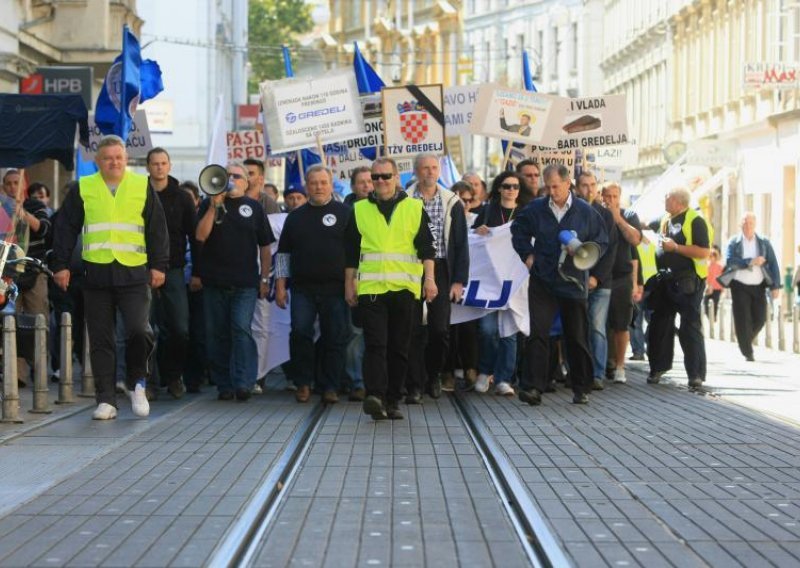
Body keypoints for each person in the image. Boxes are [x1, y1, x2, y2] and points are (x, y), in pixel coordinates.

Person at [51, 135, 169, 420]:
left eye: (118, 157)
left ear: (126, 160)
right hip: (96, 273)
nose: (114, 162)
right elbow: (65, 228)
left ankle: (137, 382)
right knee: (101, 339)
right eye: (108, 158)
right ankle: (106, 399)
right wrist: (61, 265)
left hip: (134, 272)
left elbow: (156, 228)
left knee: (139, 330)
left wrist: (159, 265)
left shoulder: (141, 185)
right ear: (97, 161)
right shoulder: (84, 187)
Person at [344, 157, 436, 420]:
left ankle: (393, 399)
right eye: (375, 177)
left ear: (396, 177)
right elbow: (350, 253)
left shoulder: (414, 207)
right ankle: (375, 395)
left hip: (405, 289)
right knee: (375, 344)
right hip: (371, 289)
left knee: (399, 347)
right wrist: (349, 284)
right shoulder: (360, 210)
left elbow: (427, 249)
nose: (380, 181)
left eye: (385, 176)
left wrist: (429, 279)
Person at [510, 164, 608, 405]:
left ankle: (581, 386)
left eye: (556, 186)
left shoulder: (585, 212)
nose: (552, 191)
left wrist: (587, 259)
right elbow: (518, 229)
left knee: (576, 335)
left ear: (567, 184)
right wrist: (527, 255)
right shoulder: (536, 209)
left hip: (573, 281)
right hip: (543, 278)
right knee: (538, 333)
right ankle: (533, 387)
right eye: (548, 186)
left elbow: (602, 241)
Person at [195, 160, 274, 401]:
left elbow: (265, 246)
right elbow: (200, 236)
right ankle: (224, 385)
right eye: (228, 175)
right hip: (214, 281)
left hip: (245, 283)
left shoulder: (254, 207)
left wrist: (264, 278)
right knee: (218, 333)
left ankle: (244, 382)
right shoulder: (209, 204)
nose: (232, 180)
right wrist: (213, 207)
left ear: (247, 182)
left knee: (241, 329)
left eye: (238, 176)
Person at [275, 165, 351, 404]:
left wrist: (352, 284)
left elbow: (354, 253)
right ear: (307, 186)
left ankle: (330, 386)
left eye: (323, 182)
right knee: (299, 333)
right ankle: (303, 383)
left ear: (331, 184)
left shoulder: (345, 213)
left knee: (334, 337)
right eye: (314, 182)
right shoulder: (295, 217)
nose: (319, 187)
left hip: (336, 288)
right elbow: (283, 254)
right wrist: (279, 285)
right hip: (302, 288)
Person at [404, 153, 469, 401]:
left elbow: (461, 244)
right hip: (410, 268)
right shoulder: (405, 200)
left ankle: (433, 375)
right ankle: (414, 383)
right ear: (416, 171)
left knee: (439, 329)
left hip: (442, 269)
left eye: (433, 168)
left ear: (439, 171)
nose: (429, 172)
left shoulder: (452, 201)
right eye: (424, 168)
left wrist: (458, 280)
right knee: (411, 329)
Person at [646, 188, 712, 388]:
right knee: (659, 326)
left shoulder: (694, 220)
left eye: (667, 197)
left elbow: (703, 251)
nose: (664, 201)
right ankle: (658, 368)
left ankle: (695, 374)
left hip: (687, 282)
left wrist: (675, 248)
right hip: (666, 280)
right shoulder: (666, 218)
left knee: (689, 328)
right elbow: (646, 225)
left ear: (678, 201)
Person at [146, 147, 196, 399]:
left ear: (169, 166)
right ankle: (148, 381)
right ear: (148, 167)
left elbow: (194, 237)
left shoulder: (182, 198)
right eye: (154, 163)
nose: (159, 167)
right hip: (143, 270)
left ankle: (173, 375)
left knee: (179, 329)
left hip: (174, 270)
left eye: (163, 163)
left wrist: (197, 271)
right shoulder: (138, 194)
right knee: (145, 329)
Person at [472, 171, 523, 396]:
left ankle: (504, 378)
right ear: (499, 188)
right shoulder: (488, 210)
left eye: (515, 186)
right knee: (487, 329)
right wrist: (478, 230)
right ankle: (485, 371)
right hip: (490, 282)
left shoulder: (524, 212)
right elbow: (471, 237)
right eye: (507, 186)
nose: (511, 190)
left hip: (514, 281)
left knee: (509, 333)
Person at [2, 170, 52, 386]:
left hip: (33, 271)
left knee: (37, 321)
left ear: (23, 184)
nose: (13, 187)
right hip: (9, 274)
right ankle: (17, 374)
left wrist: (23, 214)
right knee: (11, 323)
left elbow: (44, 230)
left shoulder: (35, 205)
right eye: (9, 184)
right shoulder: (3, 208)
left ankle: (40, 370)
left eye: (16, 183)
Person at [574, 171, 617, 391]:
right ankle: (577, 372)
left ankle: (597, 373)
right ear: (576, 186)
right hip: (574, 280)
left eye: (592, 185)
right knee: (576, 328)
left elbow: (610, 250)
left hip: (600, 283)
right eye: (584, 185)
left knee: (597, 328)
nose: (588, 189)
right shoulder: (572, 212)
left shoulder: (605, 215)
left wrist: (597, 277)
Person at [725, 212, 781, 361]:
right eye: (745, 223)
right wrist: (750, 261)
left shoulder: (764, 242)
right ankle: (747, 351)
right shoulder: (734, 242)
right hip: (739, 285)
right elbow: (730, 261)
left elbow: (773, 263)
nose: (748, 226)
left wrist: (776, 286)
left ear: (755, 225)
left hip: (759, 285)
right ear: (740, 225)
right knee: (743, 318)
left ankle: (744, 339)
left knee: (760, 318)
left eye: (751, 223)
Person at [601, 181, 642, 384]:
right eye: (607, 196)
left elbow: (635, 241)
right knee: (600, 324)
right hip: (601, 276)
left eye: (614, 196)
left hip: (621, 277)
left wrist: (618, 219)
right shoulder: (597, 214)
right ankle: (603, 364)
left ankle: (619, 366)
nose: (611, 200)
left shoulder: (629, 215)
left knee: (621, 324)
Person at [629, 231, 657, 361]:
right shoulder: (654, 245)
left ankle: (638, 352)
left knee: (635, 321)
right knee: (652, 321)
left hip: (639, 287)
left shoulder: (633, 245)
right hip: (652, 287)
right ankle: (652, 349)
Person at [704, 245, 723, 319]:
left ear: (716, 257)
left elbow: (719, 278)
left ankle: (713, 319)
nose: (711, 257)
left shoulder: (719, 267)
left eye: (713, 256)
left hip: (716, 288)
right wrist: (708, 286)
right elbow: (706, 277)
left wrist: (722, 289)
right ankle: (708, 317)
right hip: (708, 287)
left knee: (715, 304)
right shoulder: (707, 266)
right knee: (705, 303)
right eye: (710, 256)